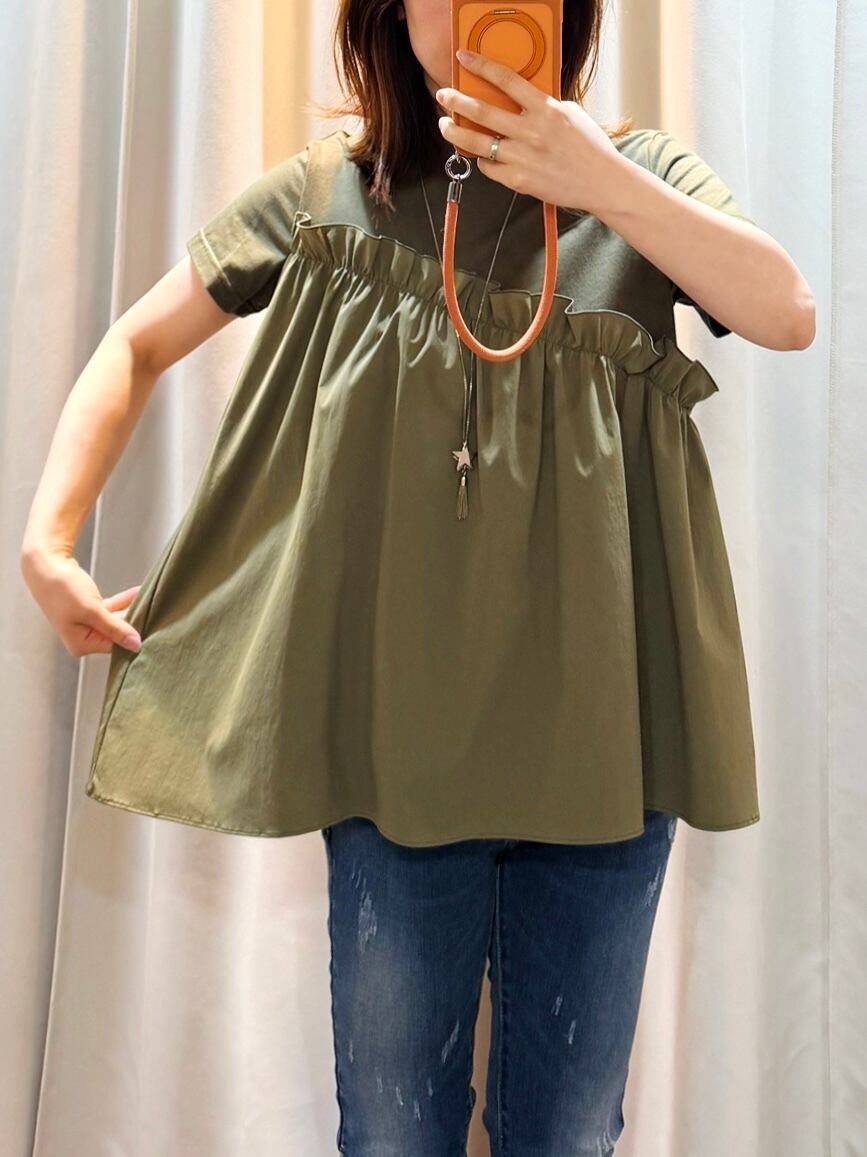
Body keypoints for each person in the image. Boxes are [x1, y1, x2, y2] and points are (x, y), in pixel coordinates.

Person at [20, 0, 815, 1153]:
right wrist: (47, 539)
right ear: (393, 12)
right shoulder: (333, 196)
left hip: (606, 753)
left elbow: (787, 312)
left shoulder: (640, 184)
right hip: (396, 762)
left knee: (570, 1135)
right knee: (392, 1136)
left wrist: (595, 177)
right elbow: (136, 342)